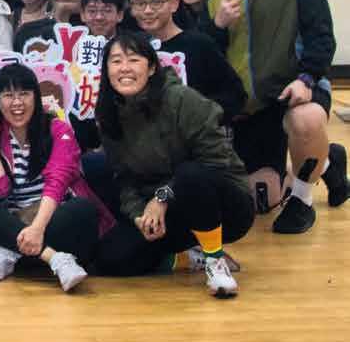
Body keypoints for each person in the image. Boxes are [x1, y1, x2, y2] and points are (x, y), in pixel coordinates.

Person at [205, 0, 347, 232]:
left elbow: (321, 36)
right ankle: (328, 163)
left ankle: (302, 200)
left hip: (293, 91)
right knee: (262, 200)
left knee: (306, 120)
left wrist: (307, 78)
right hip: (246, 106)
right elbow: (206, 54)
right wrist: (217, 25)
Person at [93, 32, 253, 297]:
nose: (125, 68)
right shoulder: (110, 114)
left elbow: (213, 163)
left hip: (222, 203)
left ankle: (215, 261)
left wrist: (162, 197)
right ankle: (189, 257)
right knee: (110, 258)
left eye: (133, 60)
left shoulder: (182, 100)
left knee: (190, 175)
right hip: (168, 212)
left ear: (151, 67)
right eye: (116, 61)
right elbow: (124, 179)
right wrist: (139, 215)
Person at [0, 63, 103, 292]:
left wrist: (37, 229)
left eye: (24, 93)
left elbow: (57, 183)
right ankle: (55, 259)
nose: (17, 102)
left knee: (83, 208)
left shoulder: (58, 129)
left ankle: (11, 253)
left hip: (52, 224)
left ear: (36, 97)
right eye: (8, 95)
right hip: (22, 228)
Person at [130, 0, 245, 121]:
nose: (147, 11)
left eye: (156, 2)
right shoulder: (131, 47)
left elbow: (235, 95)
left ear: (174, 4)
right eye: (140, 4)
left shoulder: (199, 44)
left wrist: (196, 113)